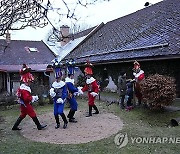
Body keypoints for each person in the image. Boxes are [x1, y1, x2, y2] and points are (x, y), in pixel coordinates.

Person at [12, 64, 47, 130]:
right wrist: (33, 98)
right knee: (33, 114)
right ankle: (39, 126)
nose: (30, 82)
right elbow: (26, 99)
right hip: (26, 104)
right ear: (27, 80)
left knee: (23, 115)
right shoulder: (24, 89)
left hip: (23, 104)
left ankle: (14, 127)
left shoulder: (22, 88)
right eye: (29, 81)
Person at [49, 59, 68, 129]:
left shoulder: (63, 84)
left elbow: (65, 93)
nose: (57, 79)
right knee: (55, 113)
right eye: (56, 78)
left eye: (59, 78)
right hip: (55, 100)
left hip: (61, 100)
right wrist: (52, 93)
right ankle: (58, 123)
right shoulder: (53, 84)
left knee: (60, 111)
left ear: (61, 77)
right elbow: (52, 91)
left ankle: (65, 122)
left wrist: (62, 98)